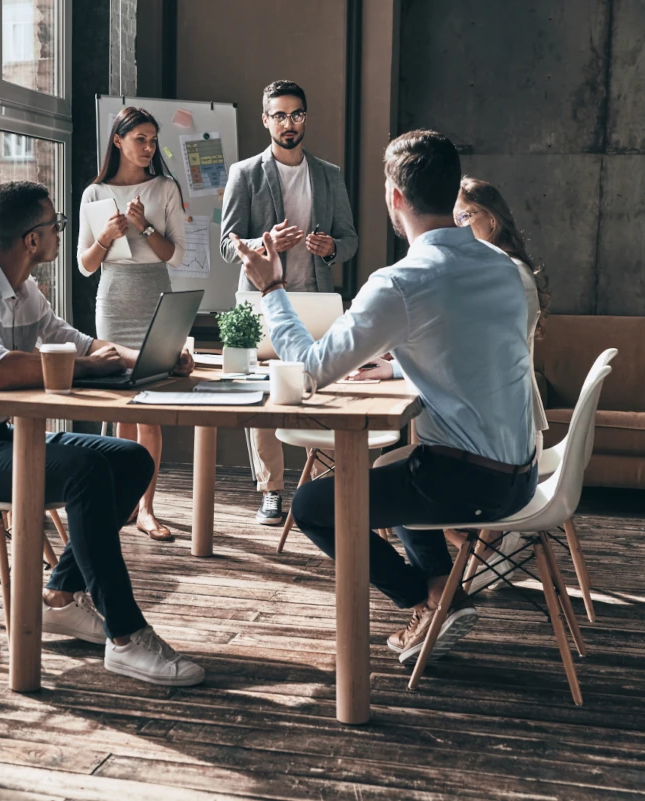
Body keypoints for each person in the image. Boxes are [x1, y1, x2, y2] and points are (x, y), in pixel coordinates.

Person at [228, 130, 537, 665]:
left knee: (311, 506)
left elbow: (309, 371)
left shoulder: (400, 282)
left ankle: (423, 599)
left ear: (395, 197)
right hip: (522, 473)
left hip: (470, 484)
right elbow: (471, 350)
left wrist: (272, 289)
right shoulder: (506, 269)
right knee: (397, 461)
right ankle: (442, 589)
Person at [0, 181, 204, 687]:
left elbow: (78, 343)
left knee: (131, 459)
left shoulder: (25, 290)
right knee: (87, 472)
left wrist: (152, 360)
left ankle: (59, 598)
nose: (61, 233)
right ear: (31, 240)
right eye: (56, 226)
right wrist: (90, 369)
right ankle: (126, 637)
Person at [356, 176, 551, 590]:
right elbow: (457, 351)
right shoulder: (490, 271)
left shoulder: (505, 274)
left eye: (465, 217)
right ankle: (457, 567)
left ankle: (446, 582)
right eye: (453, 216)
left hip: (500, 432)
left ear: (492, 221)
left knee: (403, 478)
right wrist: (396, 364)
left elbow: (468, 350)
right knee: (401, 469)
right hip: (492, 424)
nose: (456, 227)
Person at [219, 80, 358, 526]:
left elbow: (351, 240)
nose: (288, 123)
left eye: (296, 114)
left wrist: (330, 248)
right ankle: (271, 491)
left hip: (313, 300)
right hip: (256, 301)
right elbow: (227, 243)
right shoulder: (245, 173)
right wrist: (265, 242)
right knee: (258, 397)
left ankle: (318, 489)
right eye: (279, 115)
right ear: (265, 120)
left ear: (306, 118)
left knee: (322, 388)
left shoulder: (330, 175)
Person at [77, 107, 187, 541]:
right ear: (118, 141)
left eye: (153, 140)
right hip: (113, 299)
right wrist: (107, 236)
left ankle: (147, 508)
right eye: (140, 139)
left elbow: (175, 256)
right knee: (121, 405)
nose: (148, 148)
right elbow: (86, 266)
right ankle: (123, 502)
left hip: (154, 296)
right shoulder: (94, 194)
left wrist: (142, 229)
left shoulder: (165, 188)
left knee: (150, 411)